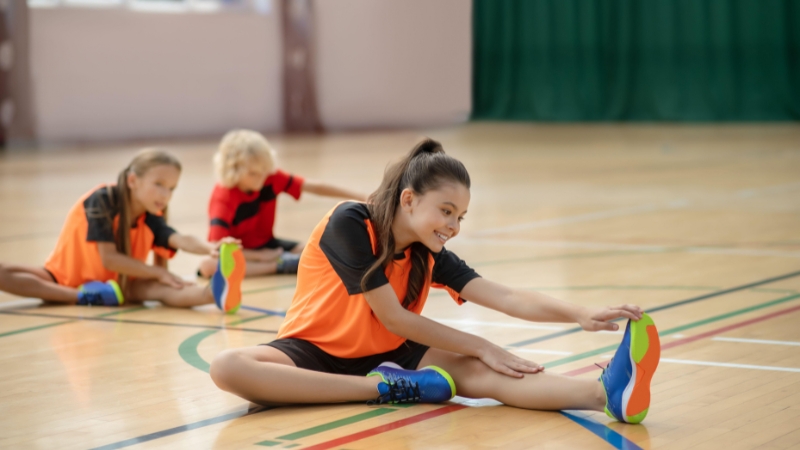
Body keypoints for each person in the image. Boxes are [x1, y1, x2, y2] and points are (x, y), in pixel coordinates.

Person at [209, 139, 660, 424]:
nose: (454, 225)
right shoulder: (351, 222)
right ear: (409, 199)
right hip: (314, 350)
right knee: (227, 367)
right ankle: (384, 388)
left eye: (460, 216)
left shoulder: (429, 251)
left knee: (486, 372)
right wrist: (479, 343)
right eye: (446, 211)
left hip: (392, 353)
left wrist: (578, 313)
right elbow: (392, 315)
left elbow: (502, 295)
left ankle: (604, 394)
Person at [0, 148, 245, 312]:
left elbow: (178, 238)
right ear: (132, 181)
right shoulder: (103, 200)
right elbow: (109, 258)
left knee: (164, 288)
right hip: (66, 278)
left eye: (171, 188)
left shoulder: (151, 214)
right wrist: (154, 271)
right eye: (159, 184)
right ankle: (83, 297)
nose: (165, 194)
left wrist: (211, 247)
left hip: (118, 288)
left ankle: (214, 294)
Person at [198, 129, 366, 278]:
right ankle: (278, 265)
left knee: (316, 248)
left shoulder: (270, 177)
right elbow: (217, 247)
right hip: (241, 253)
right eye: (253, 174)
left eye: (264, 171)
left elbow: (313, 186)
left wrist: (362, 196)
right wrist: (260, 256)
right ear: (233, 170)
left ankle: (286, 261)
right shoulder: (223, 197)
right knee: (209, 265)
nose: (261, 179)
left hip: (269, 244)